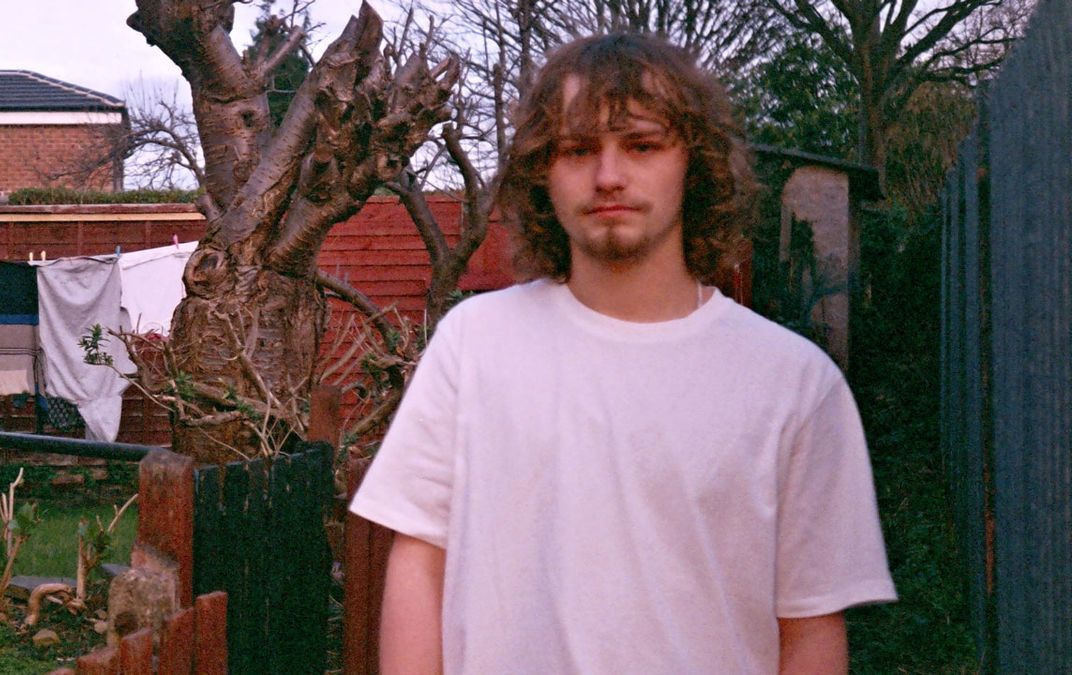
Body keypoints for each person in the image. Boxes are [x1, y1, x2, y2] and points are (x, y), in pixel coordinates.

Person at [350, 32, 897, 674]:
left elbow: (809, 628)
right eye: (578, 149)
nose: (609, 176)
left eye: (641, 144)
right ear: (541, 172)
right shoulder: (474, 345)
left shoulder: (796, 385)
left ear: (693, 161)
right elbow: (419, 562)